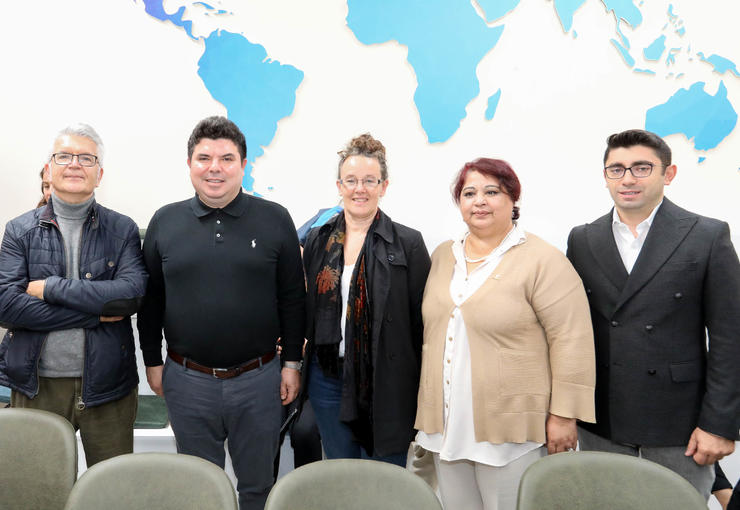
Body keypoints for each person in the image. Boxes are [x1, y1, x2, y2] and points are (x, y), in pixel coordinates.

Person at [137, 116, 305, 509]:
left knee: (258, 487)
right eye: (204, 158)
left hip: (259, 381)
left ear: (243, 165)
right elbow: (151, 300)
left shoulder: (275, 219)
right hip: (187, 381)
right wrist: (152, 362)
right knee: (199, 490)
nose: (215, 168)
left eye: (227, 159)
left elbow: (293, 298)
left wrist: (292, 364)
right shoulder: (164, 221)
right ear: (190, 164)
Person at [566, 129, 740, 500]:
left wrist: (719, 424)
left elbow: (731, 338)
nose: (627, 178)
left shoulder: (706, 235)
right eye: (616, 169)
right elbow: (570, 333)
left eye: (641, 168)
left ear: (668, 173)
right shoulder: (582, 239)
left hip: (680, 423)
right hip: (602, 421)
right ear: (605, 177)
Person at [415, 157, 596, 510]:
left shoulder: (543, 259)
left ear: (513, 199)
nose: (479, 201)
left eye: (492, 192)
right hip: (448, 425)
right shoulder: (443, 256)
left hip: (512, 431)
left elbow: (571, 339)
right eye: (469, 193)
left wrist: (564, 415)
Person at [0, 123, 147, 466]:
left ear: (99, 174)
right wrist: (94, 314)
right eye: (64, 156)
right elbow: (6, 306)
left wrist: (50, 288)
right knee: (38, 487)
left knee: (111, 486)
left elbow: (131, 296)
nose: (75, 164)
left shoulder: (122, 229)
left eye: (86, 158)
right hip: (37, 386)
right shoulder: (19, 230)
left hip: (108, 387)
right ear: (49, 169)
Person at [302, 133, 431, 466]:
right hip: (327, 380)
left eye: (369, 181)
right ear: (339, 185)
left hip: (387, 382)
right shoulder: (318, 239)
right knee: (343, 476)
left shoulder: (408, 244)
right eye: (351, 180)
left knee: (385, 479)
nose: (360, 189)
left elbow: (422, 325)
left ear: (383, 186)